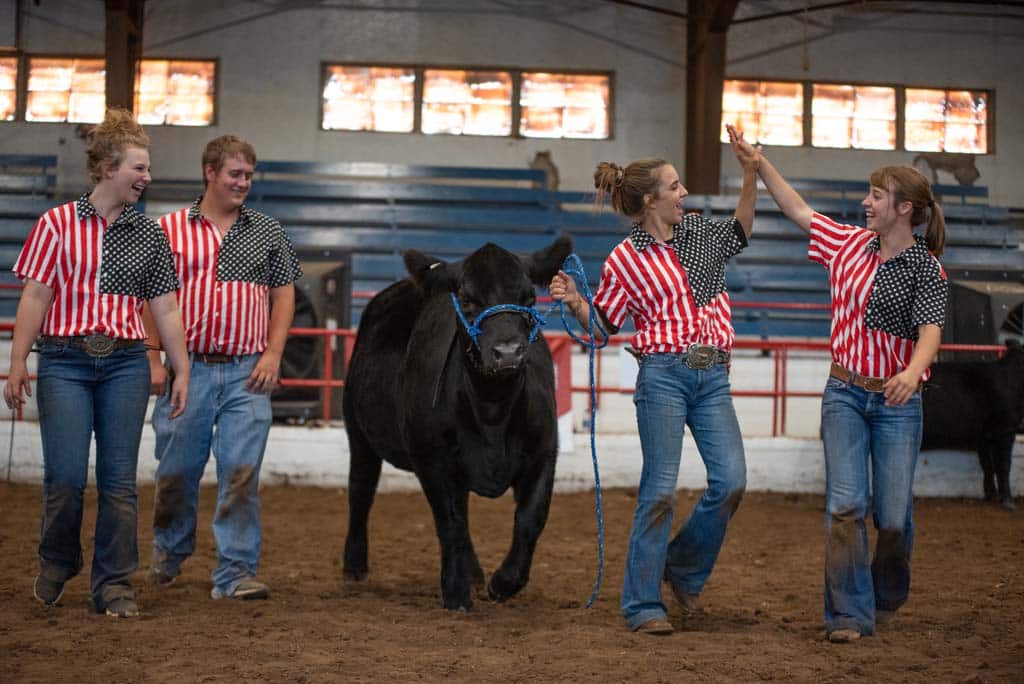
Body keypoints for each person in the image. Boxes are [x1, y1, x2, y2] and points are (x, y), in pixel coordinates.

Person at [549, 125, 759, 635]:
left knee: (731, 481)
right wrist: (578, 303)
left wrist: (751, 175)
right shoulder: (626, 258)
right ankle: (642, 604)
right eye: (675, 187)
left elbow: (742, 229)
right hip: (662, 377)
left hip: (713, 375)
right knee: (659, 489)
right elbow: (603, 327)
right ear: (650, 200)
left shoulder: (700, 234)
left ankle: (681, 567)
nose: (684, 193)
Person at [745, 142, 948, 643]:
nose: (866, 202)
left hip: (899, 402)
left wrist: (912, 372)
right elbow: (795, 207)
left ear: (904, 208)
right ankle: (848, 615)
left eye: (877, 195)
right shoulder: (847, 244)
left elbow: (931, 333)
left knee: (893, 517)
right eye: (868, 194)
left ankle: (887, 588)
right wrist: (758, 164)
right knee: (844, 506)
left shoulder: (927, 267)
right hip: (845, 394)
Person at [3, 108, 190, 618]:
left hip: (126, 362)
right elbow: (35, 298)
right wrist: (18, 363)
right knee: (63, 477)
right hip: (64, 360)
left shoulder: (149, 235)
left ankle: (113, 584)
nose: (147, 178)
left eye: (147, 169)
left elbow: (166, 307)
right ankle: (58, 561)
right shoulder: (56, 225)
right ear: (109, 167)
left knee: (120, 483)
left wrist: (182, 368)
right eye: (139, 167)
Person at [143, 134, 302, 600]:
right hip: (185, 371)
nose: (243, 183)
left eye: (249, 176)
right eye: (235, 174)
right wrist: (154, 359)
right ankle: (169, 551)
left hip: (247, 371)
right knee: (175, 469)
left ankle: (234, 572)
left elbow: (284, 294)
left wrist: (273, 353)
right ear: (209, 172)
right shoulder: (167, 230)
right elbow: (152, 300)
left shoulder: (268, 231)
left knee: (241, 471)